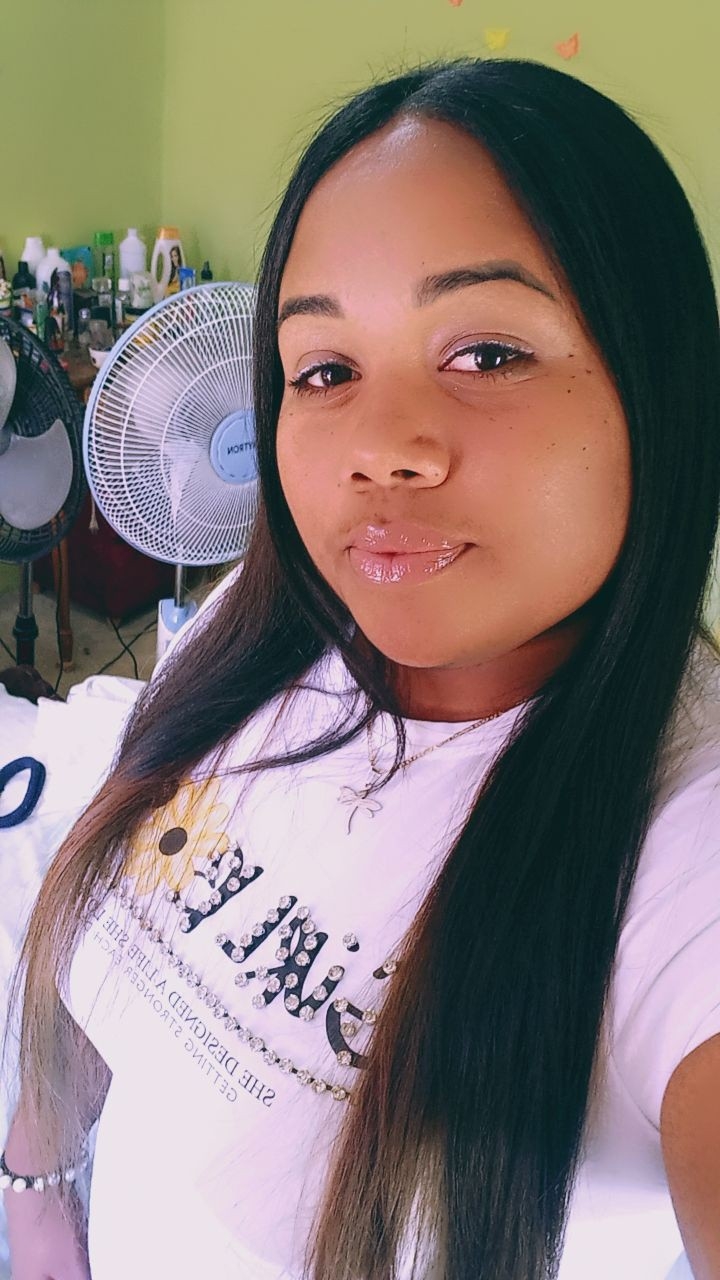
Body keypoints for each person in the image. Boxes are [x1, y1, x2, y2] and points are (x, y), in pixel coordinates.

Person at [3, 56, 720, 1280]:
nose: (378, 449)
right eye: (324, 370)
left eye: (485, 352)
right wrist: (36, 1193)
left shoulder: (682, 849)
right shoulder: (259, 629)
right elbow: (103, 946)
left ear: (661, 379)